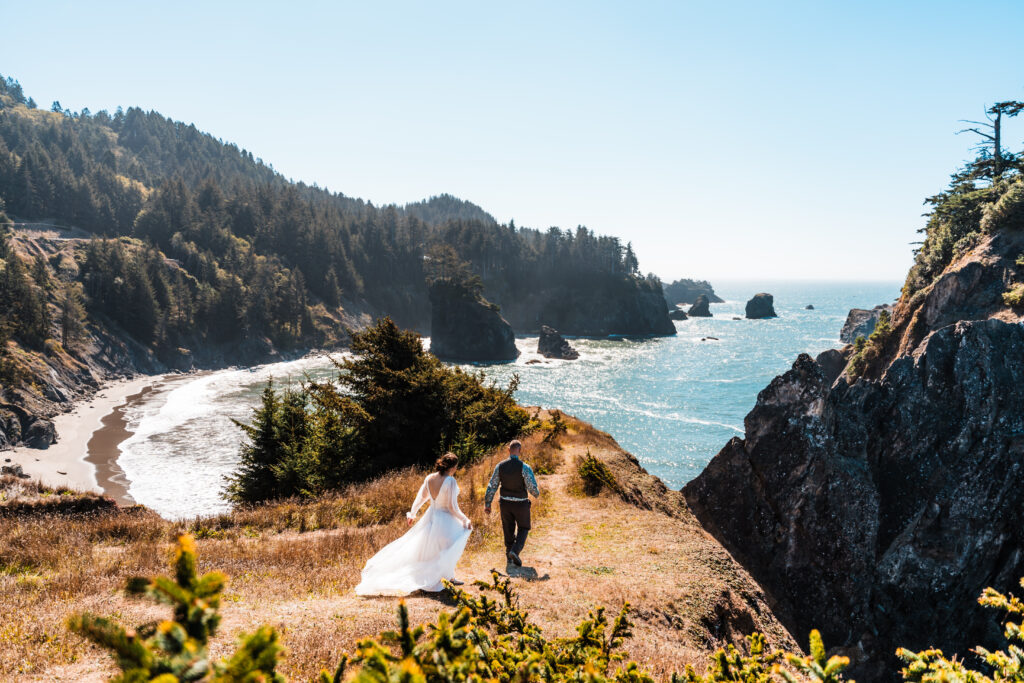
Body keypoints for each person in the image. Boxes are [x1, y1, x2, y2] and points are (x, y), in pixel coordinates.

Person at [355, 452, 472, 596]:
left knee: (431, 550)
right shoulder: (450, 481)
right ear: (453, 467)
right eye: (456, 467)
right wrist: (465, 519)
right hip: (446, 519)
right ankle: (442, 579)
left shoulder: (429, 478)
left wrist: (413, 513)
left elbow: (421, 497)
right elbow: (452, 507)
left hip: (431, 516)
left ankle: (447, 576)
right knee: (447, 547)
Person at [484, 439, 540, 567]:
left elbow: (492, 485)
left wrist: (488, 503)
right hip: (521, 504)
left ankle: (508, 555)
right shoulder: (524, 467)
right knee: (524, 527)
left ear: (508, 450)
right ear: (520, 451)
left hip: (505, 504)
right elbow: (531, 487)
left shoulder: (500, 466)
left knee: (507, 528)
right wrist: (536, 494)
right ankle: (515, 551)